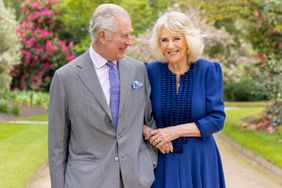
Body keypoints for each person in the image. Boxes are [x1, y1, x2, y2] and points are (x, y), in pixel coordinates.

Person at [48, 4, 158, 188]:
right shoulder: (65, 78)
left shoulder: (138, 70)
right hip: (86, 182)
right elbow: (56, 146)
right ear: (102, 36)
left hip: (135, 180)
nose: (130, 41)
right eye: (124, 35)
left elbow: (148, 119)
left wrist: (148, 163)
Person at [144, 12, 226, 188]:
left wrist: (174, 131)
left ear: (188, 40)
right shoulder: (148, 72)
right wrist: (151, 135)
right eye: (164, 40)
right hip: (163, 160)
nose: (170, 45)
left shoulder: (208, 70)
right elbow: (134, 116)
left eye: (176, 38)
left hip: (201, 161)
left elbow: (217, 120)